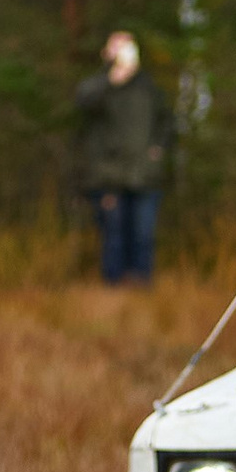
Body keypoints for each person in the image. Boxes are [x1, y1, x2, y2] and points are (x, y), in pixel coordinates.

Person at [72, 30, 174, 286]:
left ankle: (142, 290)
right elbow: (83, 103)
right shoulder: (98, 85)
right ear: (106, 53)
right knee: (113, 237)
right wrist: (111, 79)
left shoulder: (149, 87)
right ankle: (113, 293)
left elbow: (167, 122)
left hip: (145, 175)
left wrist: (157, 150)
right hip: (109, 176)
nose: (123, 53)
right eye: (117, 47)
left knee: (143, 235)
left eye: (128, 47)